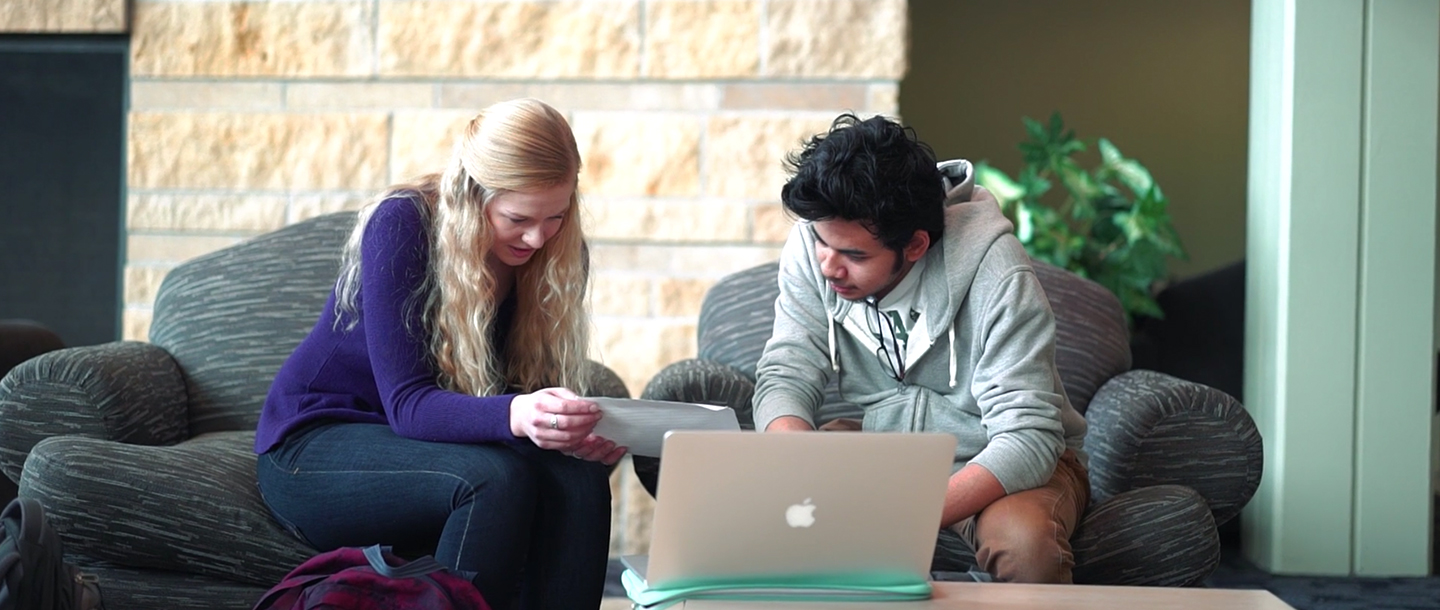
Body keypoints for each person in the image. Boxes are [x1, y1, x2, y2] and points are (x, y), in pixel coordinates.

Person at [253, 98, 626, 610]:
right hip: (315, 446)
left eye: (556, 217)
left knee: (579, 480)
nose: (538, 237)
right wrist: (520, 414)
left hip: (431, 446)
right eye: (518, 218)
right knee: (492, 479)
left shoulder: (555, 253)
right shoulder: (403, 223)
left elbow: (507, 396)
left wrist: (565, 432)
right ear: (474, 196)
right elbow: (408, 404)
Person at [751, 113, 1091, 583]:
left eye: (854, 256)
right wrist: (794, 459)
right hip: (882, 446)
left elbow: (1029, 438)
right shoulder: (820, 243)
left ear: (914, 245)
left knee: (1026, 546)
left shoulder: (999, 275)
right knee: (760, 515)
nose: (828, 267)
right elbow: (788, 371)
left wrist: (904, 516)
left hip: (995, 457)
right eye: (821, 243)